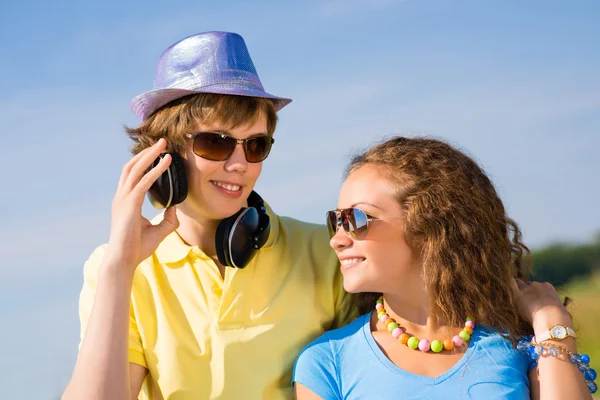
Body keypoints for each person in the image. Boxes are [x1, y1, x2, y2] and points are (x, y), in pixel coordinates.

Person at [62, 31, 353, 400]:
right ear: (163, 156)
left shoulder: (326, 252)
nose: (239, 164)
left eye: (255, 145)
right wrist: (120, 267)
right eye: (216, 142)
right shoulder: (117, 268)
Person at [293, 136, 596, 399]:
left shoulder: (521, 342)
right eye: (336, 221)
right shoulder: (327, 361)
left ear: (429, 226)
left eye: (356, 220)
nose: (337, 240)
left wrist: (551, 321)